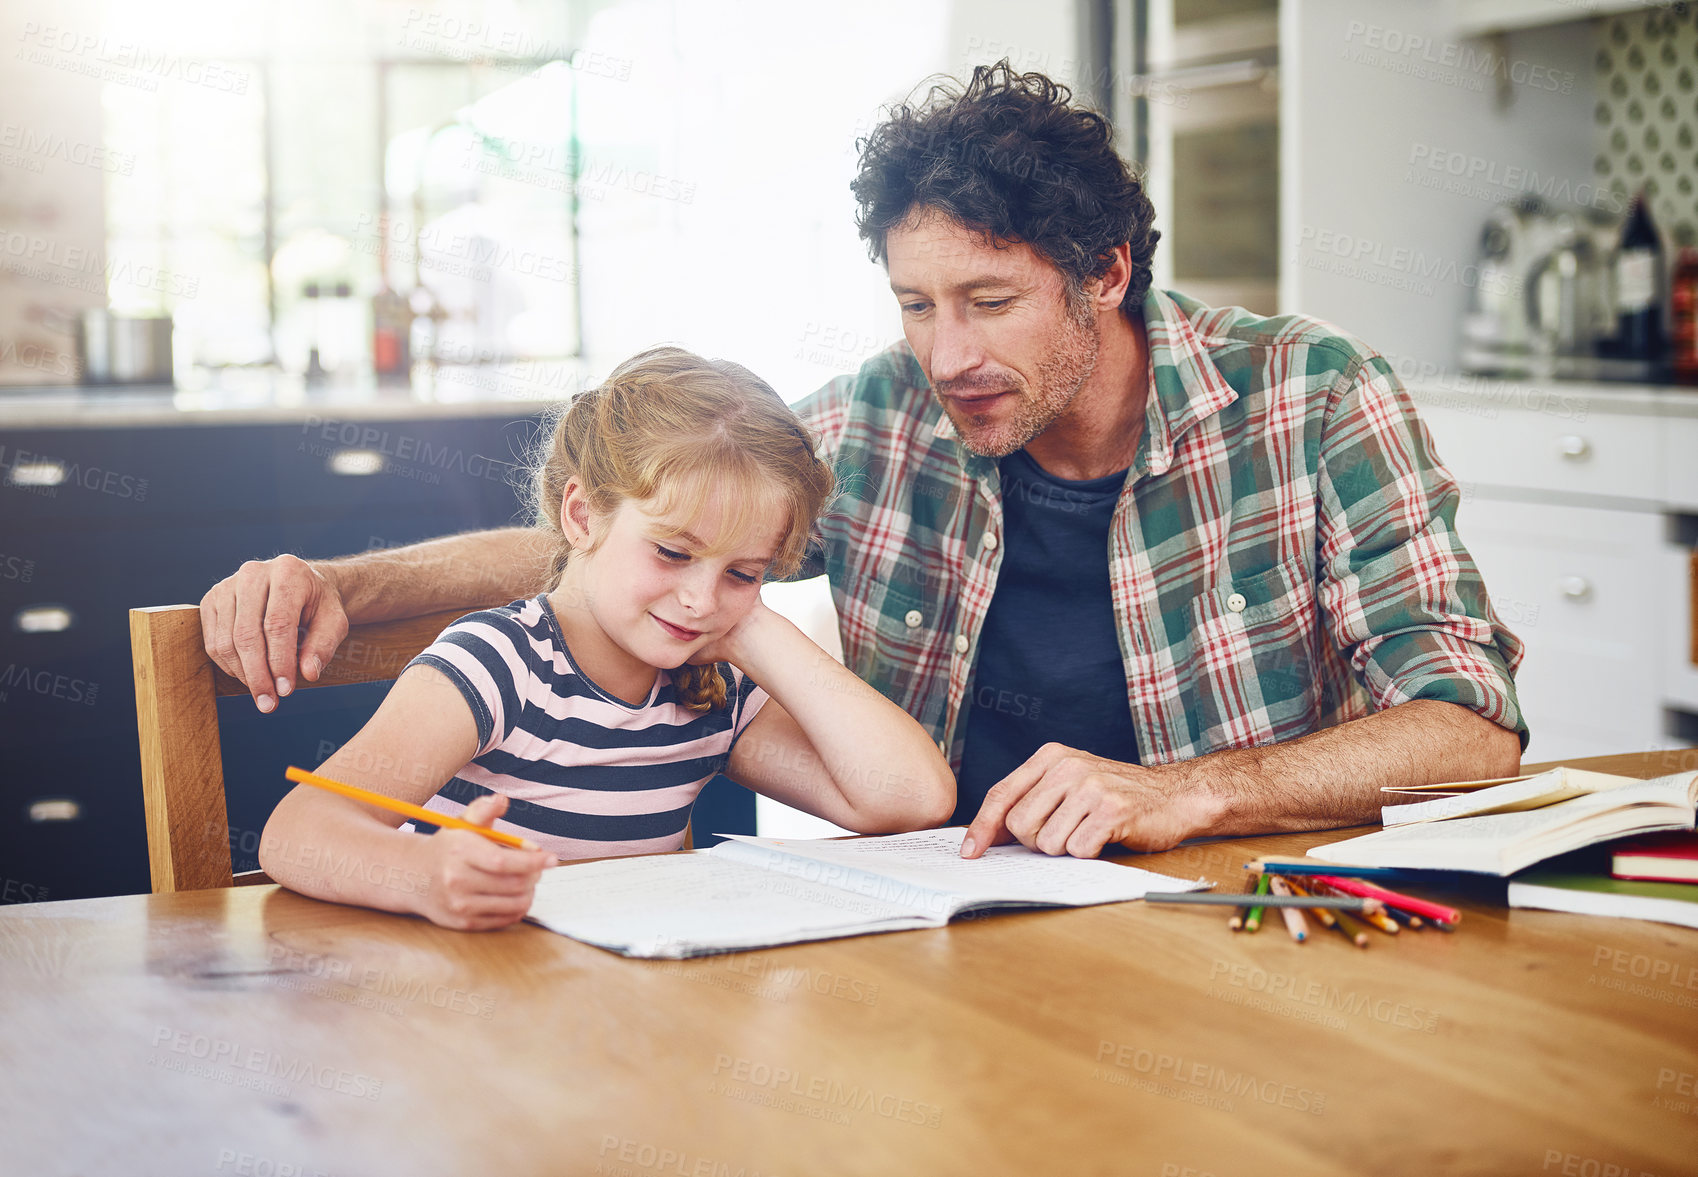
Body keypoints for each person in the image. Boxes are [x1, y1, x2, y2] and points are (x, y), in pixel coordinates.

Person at [206, 63, 1525, 863]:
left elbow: (1469, 727)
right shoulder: (885, 416)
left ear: (1106, 274)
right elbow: (634, 534)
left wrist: (1181, 795)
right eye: (912, 301)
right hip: (949, 910)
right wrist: (352, 583)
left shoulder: (1307, 396)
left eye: (988, 301)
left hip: (1246, 918)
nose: (944, 354)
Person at [258, 347, 954, 929]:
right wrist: (424, 875)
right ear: (583, 515)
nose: (700, 598)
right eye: (673, 554)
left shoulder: (710, 690)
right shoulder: (500, 665)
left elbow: (910, 797)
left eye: (743, 571)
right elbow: (298, 830)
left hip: (615, 1020)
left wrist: (755, 630)